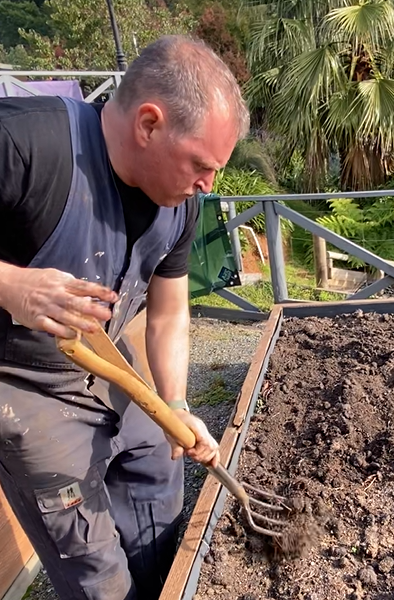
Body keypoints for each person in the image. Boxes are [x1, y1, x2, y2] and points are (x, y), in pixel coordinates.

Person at [0, 35, 249, 600]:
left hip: (111, 366)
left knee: (158, 490)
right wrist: (12, 284)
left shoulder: (181, 203)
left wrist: (178, 405)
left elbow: (167, 313)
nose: (209, 185)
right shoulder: (23, 143)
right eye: (200, 165)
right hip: (26, 388)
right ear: (149, 124)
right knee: (97, 573)